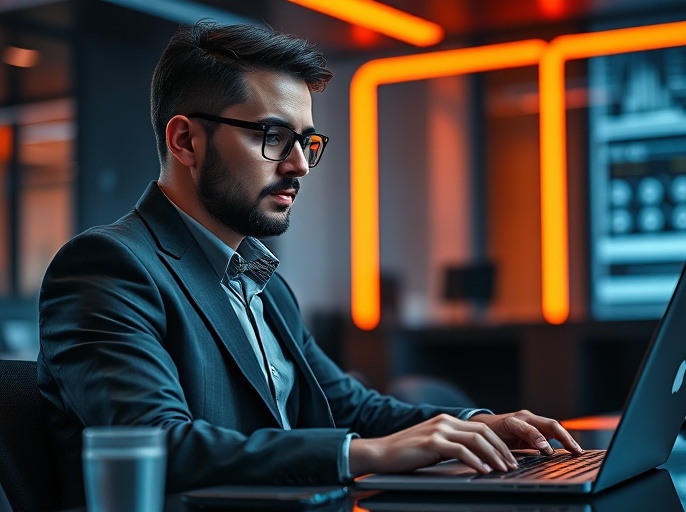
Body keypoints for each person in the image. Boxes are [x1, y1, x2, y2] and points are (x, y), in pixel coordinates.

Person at [37, 21, 583, 508]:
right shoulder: (107, 266)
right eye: (274, 137)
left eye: (306, 140)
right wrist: (360, 455)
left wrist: (474, 425)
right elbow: (157, 443)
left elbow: (349, 405)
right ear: (185, 140)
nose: (299, 164)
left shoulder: (260, 280)